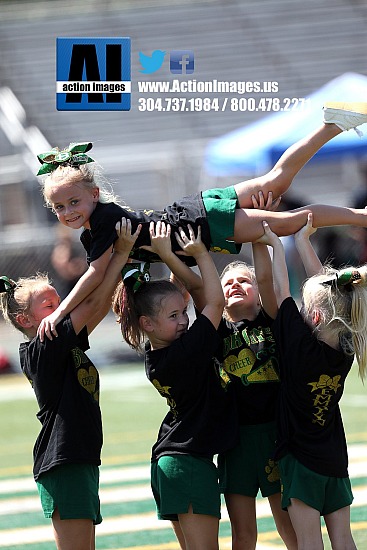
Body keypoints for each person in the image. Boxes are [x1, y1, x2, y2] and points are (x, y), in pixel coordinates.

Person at [36, 102, 367, 339]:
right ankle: (332, 124)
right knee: (274, 184)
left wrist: (58, 312)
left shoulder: (103, 222)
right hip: (194, 209)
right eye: (59, 207)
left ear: (94, 194)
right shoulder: (97, 228)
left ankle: (362, 214)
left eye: (74, 201)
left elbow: (95, 275)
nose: (68, 212)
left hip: (198, 227)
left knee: (289, 222)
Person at [0, 219, 141, 550]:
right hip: (63, 460)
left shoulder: (64, 342)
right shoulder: (43, 344)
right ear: (26, 321)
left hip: (80, 458)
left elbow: (99, 307)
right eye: (50, 305)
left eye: (58, 299)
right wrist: (118, 254)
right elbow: (91, 304)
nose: (61, 306)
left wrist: (120, 263)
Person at [112, 221, 238, 550]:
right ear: (147, 323)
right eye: (174, 316)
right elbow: (215, 303)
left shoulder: (159, 355)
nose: (184, 320)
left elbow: (188, 296)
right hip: (188, 464)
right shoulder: (185, 352)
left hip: (170, 463)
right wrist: (199, 254)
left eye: (183, 313)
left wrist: (170, 261)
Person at [257, 213, 367, 550]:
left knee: (308, 542)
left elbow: (279, 290)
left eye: (305, 308)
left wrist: (276, 243)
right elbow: (328, 288)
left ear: (314, 316)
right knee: (343, 538)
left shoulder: (299, 345)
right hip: (334, 455)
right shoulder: (348, 343)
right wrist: (302, 240)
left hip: (300, 458)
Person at [215, 195, 297, 550]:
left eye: (242, 282)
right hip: (234, 441)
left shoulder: (270, 320)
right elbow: (196, 288)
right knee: (243, 534)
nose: (235, 285)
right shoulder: (216, 331)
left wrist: (253, 233)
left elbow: (264, 277)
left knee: (288, 524)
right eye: (227, 282)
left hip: (275, 436)